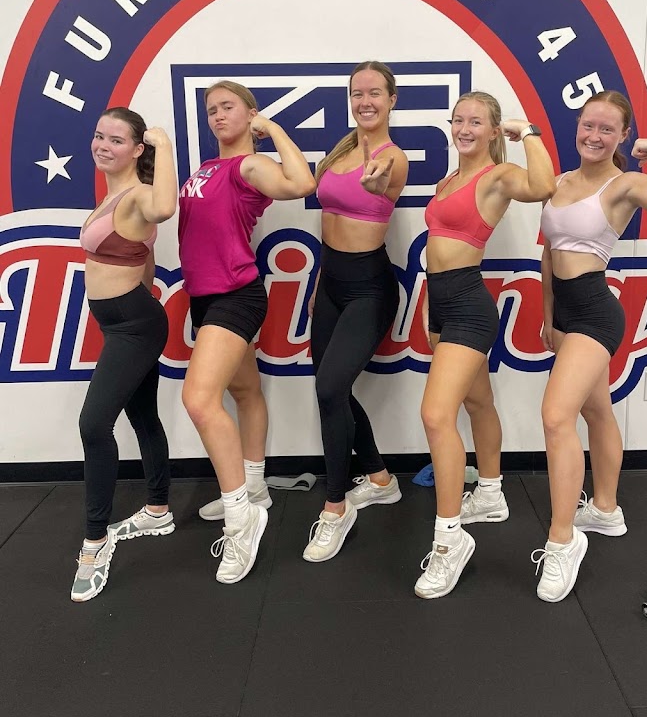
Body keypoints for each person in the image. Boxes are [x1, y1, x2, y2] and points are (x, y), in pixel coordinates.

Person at [532, 91, 647, 602]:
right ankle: (605, 509)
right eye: (588, 125)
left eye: (607, 129)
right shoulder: (560, 182)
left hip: (595, 312)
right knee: (597, 410)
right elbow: (549, 252)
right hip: (564, 312)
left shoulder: (624, 184)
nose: (594, 135)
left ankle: (563, 541)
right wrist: (547, 316)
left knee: (556, 417)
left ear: (624, 136)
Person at [416, 91, 556, 599]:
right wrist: (428, 304)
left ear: (495, 131)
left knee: (436, 415)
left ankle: (449, 541)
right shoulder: (448, 181)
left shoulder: (497, 177)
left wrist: (528, 132)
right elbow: (436, 249)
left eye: (476, 122)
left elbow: (543, 185)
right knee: (477, 402)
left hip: (470, 307)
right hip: (441, 301)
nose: (464, 128)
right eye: (459, 120)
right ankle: (492, 493)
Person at [180, 81, 315, 584]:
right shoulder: (205, 168)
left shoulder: (249, 165)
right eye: (211, 110)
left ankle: (242, 520)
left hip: (235, 295)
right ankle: (254, 485)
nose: (218, 116)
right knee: (244, 391)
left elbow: (302, 183)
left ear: (250, 113)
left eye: (228, 107)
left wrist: (272, 129)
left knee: (199, 399)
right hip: (204, 295)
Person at [303, 61, 409, 563]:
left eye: (374, 93)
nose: (365, 101)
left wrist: (377, 185)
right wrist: (318, 284)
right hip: (331, 283)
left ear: (392, 99)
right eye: (357, 93)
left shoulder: (393, 158)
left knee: (329, 389)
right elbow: (328, 220)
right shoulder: (341, 150)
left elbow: (385, 185)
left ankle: (335, 506)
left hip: (370, 286)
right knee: (332, 388)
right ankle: (381, 478)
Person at [72, 108, 177, 603]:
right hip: (123, 321)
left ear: (137, 149)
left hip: (134, 328)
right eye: (99, 136)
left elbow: (165, 209)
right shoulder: (113, 196)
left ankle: (95, 543)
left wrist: (165, 145)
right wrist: (143, 291)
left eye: (116, 139)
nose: (102, 145)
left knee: (93, 426)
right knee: (143, 417)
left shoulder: (138, 194)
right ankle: (158, 509)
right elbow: (144, 253)